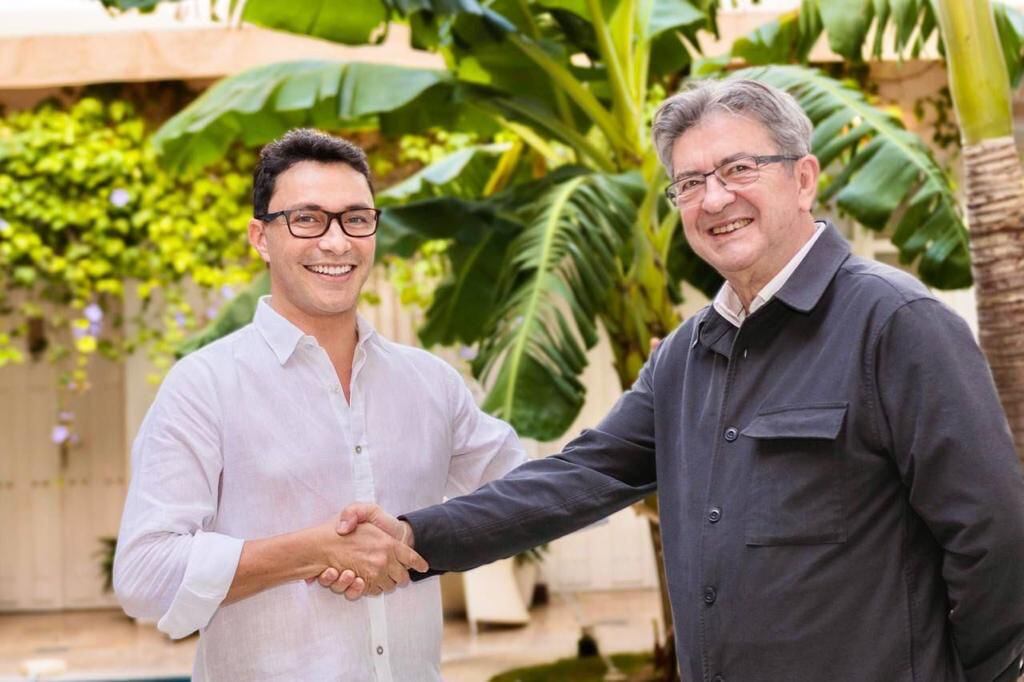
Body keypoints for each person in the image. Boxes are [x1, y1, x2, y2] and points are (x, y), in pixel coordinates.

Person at [333, 79, 1024, 681]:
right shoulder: (688, 354)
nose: (714, 198)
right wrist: (413, 537)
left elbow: (995, 535)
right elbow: (581, 477)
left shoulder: (895, 324)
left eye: (739, 168)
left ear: (804, 178)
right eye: (690, 183)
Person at [113, 129, 525, 681]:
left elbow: (528, 497)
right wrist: (311, 551)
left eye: (356, 219)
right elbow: (143, 574)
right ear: (260, 237)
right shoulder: (203, 385)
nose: (336, 242)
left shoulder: (430, 383)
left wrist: (412, 534)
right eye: (306, 219)